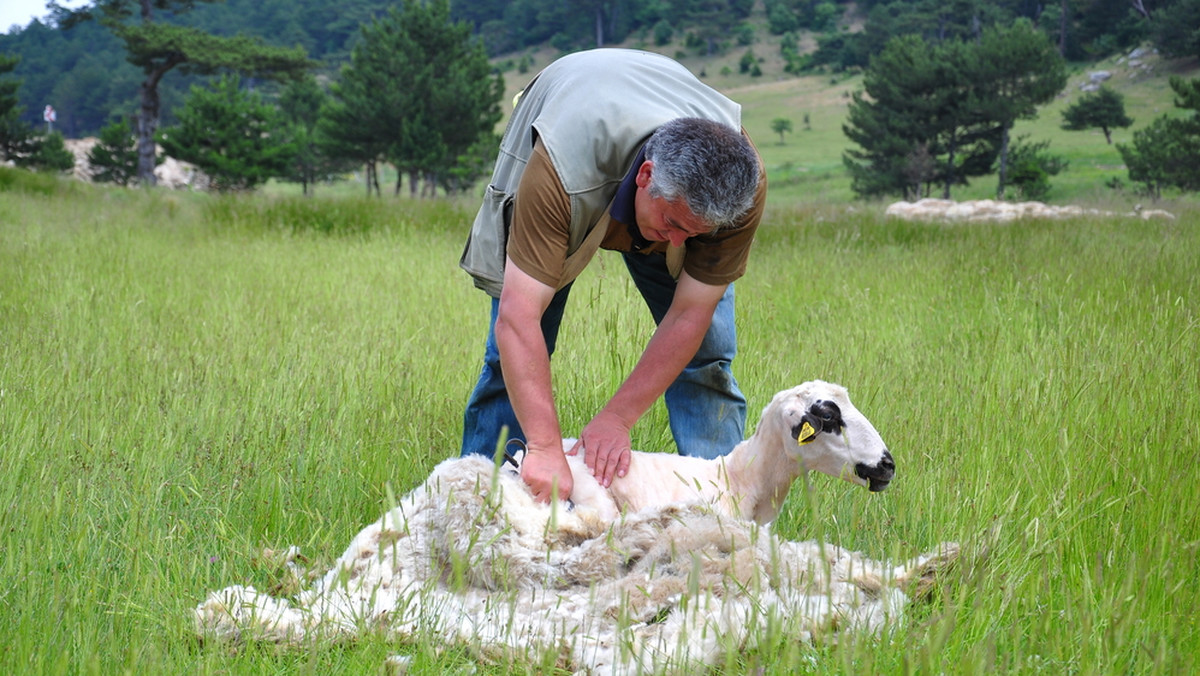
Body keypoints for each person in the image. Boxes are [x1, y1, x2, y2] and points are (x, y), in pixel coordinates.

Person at [458, 48, 766, 504]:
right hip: (576, 146)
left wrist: (617, 419)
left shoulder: (742, 190)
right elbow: (518, 319)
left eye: (695, 234)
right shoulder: (559, 173)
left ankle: (719, 507)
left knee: (708, 357)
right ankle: (478, 501)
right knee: (513, 357)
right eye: (675, 225)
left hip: (643, 171)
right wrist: (545, 447)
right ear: (646, 176)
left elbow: (689, 316)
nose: (678, 244)